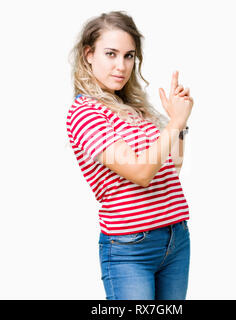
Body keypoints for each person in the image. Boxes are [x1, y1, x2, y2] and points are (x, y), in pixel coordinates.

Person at [66, 11, 194, 300]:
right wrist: (173, 124)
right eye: (110, 54)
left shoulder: (136, 108)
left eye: (129, 56)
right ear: (89, 54)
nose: (121, 66)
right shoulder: (85, 112)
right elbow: (140, 172)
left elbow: (171, 167)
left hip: (175, 238)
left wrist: (180, 120)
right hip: (130, 248)